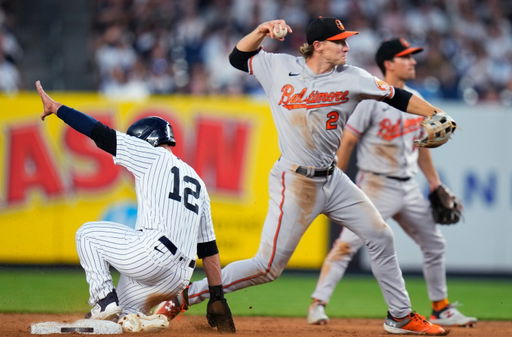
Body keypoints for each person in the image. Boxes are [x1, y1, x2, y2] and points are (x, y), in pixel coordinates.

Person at [157, 17, 450, 335]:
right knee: (268, 268)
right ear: (319, 45)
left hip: (333, 180)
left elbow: (398, 96)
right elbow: (237, 58)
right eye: (339, 41)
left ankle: (401, 315)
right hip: (295, 181)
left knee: (381, 236)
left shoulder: (353, 77)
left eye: (346, 40)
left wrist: (433, 113)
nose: (346, 47)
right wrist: (261, 31)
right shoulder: (279, 66)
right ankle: (186, 296)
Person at [35, 81, 235, 333]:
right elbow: (208, 249)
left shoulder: (150, 155)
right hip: (178, 278)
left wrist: (57, 108)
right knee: (120, 323)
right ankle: (133, 317)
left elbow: (100, 133)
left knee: (87, 235)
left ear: (144, 140)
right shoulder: (198, 181)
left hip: (151, 257)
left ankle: (103, 300)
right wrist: (218, 296)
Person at [306, 38, 477, 328]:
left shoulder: (415, 99)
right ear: (389, 63)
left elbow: (421, 148)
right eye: (405, 57)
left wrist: (435, 184)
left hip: (408, 187)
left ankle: (441, 308)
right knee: (347, 245)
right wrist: (335, 181)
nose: (412, 62)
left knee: (434, 244)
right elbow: (348, 141)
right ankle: (317, 304)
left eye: (412, 57)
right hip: (375, 186)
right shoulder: (371, 96)